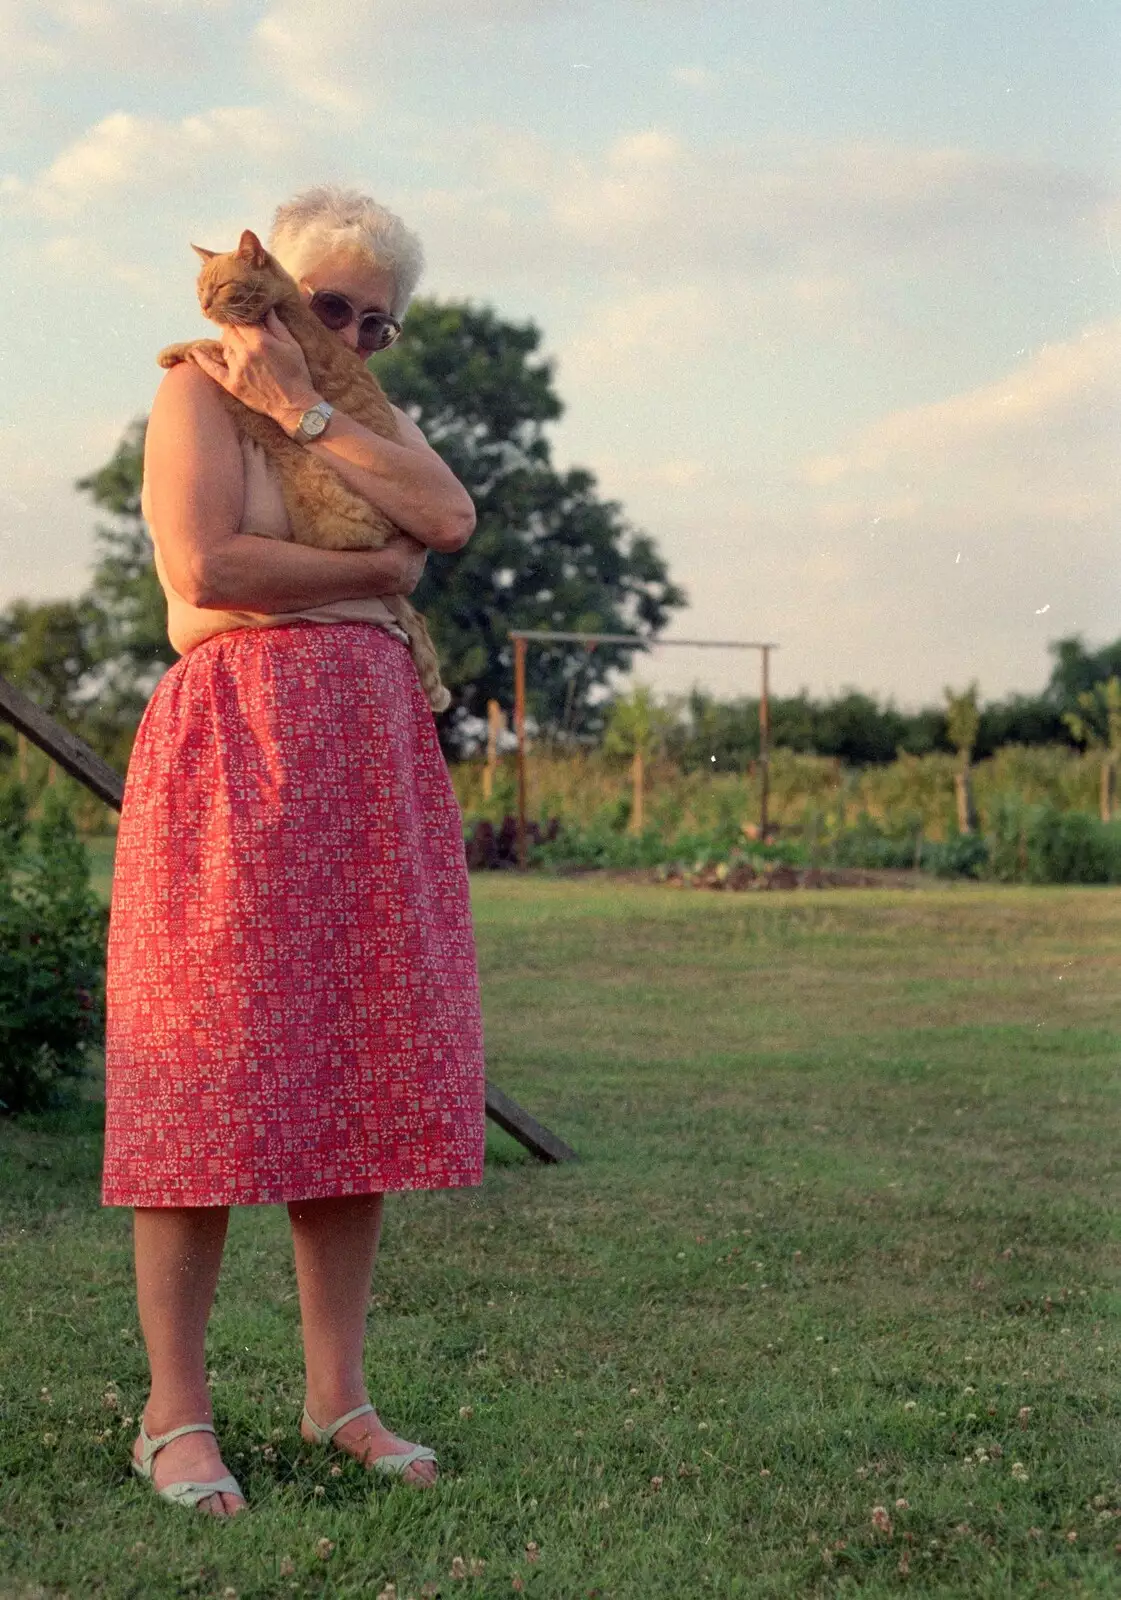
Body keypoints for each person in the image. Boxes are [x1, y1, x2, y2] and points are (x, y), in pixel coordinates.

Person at [100, 186, 486, 1515]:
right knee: (204, 1072)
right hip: (238, 743)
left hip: (369, 758)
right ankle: (174, 1416)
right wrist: (368, 572)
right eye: (332, 308)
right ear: (264, 280)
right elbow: (209, 566)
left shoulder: (355, 411)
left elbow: (444, 524)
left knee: (356, 1072)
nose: (356, 337)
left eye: (379, 326)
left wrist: (319, 408)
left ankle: (340, 1400)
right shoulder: (197, 391)